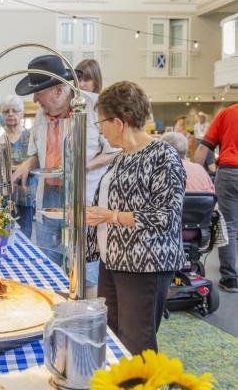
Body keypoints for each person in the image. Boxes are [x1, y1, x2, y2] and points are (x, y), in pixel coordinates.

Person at [86, 81, 186, 355]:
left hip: (145, 265)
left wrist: (112, 216)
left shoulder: (163, 155)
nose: (100, 129)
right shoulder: (120, 158)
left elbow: (166, 215)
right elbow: (110, 204)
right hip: (113, 261)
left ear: (118, 122)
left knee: (137, 344)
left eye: (101, 122)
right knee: (113, 339)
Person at [12, 55, 117, 271]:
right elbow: (37, 155)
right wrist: (26, 165)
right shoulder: (42, 115)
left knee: (83, 266)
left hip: (83, 195)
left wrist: (80, 168)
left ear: (60, 90)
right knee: (47, 257)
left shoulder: (95, 106)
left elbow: (114, 151)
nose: (34, 100)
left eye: (39, 92)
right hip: (49, 193)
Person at [194, 104, 238, 293]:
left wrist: (192, 173)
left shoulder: (227, 113)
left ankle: (230, 279)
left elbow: (204, 148)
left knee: (228, 225)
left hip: (229, 173)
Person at [2, 95, 35, 239]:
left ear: (22, 113)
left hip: (25, 192)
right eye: (6, 111)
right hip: (3, 193)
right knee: (2, 233)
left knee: (25, 236)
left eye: (15, 110)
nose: (10, 114)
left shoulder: (30, 136)